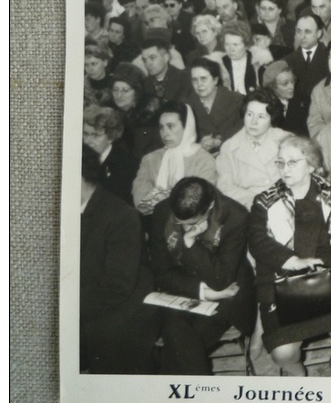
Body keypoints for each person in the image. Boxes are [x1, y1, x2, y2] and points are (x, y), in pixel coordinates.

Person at [247, 137, 331, 376]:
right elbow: (258, 242)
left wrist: (320, 264)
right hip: (282, 286)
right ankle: (298, 372)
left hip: (327, 281)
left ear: (311, 166)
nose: (284, 169)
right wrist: (293, 262)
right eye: (280, 163)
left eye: (292, 162)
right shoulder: (264, 202)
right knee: (283, 353)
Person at [149, 177, 257, 374]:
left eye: (189, 224)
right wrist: (205, 293)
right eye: (177, 221)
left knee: (179, 343)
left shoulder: (236, 216)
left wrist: (190, 243)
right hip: (182, 288)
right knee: (177, 333)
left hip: (229, 294)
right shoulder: (162, 212)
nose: (181, 227)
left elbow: (221, 279)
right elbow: (161, 272)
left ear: (209, 208)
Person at [80, 144, 157, 374]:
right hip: (90, 302)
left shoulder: (121, 216)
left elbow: (116, 286)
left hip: (116, 312)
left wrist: (66, 307)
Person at [131, 100, 217, 216]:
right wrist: (176, 196)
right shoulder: (150, 159)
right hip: (156, 223)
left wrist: (160, 195)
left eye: (171, 126)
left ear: (187, 127)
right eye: (161, 127)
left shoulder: (204, 160)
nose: (164, 133)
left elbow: (199, 202)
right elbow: (140, 201)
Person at [216, 89, 292, 210]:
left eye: (261, 116)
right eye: (249, 114)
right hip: (247, 207)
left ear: (271, 119)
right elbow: (225, 188)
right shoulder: (229, 148)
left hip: (285, 204)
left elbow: (298, 177)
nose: (253, 122)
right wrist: (257, 201)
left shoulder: (287, 141)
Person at [109, 62, 162, 161]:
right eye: (115, 90)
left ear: (137, 93)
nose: (118, 95)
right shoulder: (109, 113)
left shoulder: (148, 119)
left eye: (125, 90)